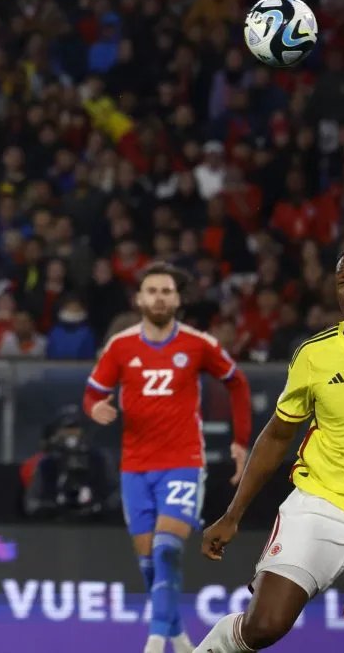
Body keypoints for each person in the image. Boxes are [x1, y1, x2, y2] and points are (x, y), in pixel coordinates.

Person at [195, 245, 344, 653]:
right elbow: (277, 435)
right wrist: (232, 514)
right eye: (343, 282)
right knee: (266, 626)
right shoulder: (316, 355)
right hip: (321, 506)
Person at [82, 261, 252, 653]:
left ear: (179, 299)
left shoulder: (197, 344)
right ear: (139, 298)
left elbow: (237, 382)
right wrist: (96, 409)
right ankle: (177, 635)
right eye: (152, 291)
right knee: (150, 565)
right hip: (135, 468)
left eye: (167, 291)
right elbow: (92, 393)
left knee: (167, 549)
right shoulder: (121, 346)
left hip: (183, 462)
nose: (159, 297)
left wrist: (240, 441)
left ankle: (155, 643)